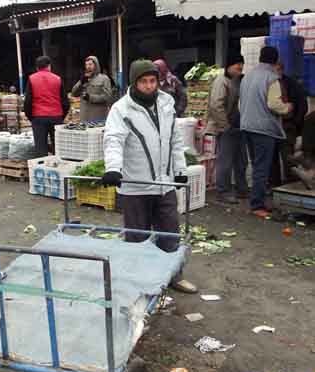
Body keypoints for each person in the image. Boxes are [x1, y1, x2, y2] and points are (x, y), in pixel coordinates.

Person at [102, 59, 197, 293]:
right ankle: (139, 282)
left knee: (170, 233)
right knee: (137, 237)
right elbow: (113, 140)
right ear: (134, 83)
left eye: (153, 80)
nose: (149, 86)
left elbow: (175, 140)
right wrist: (113, 168)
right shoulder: (121, 109)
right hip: (136, 186)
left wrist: (180, 169)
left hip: (164, 184)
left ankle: (174, 276)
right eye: (143, 81)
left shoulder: (166, 104)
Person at [240, 46, 293, 218]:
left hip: (247, 125)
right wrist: (287, 107)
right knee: (262, 168)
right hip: (263, 128)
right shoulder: (272, 78)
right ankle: (257, 205)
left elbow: (241, 103)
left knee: (257, 166)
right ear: (276, 60)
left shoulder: (247, 76)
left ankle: (256, 201)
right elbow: (274, 104)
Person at [206, 54, 248, 204]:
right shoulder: (221, 81)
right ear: (229, 66)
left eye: (241, 67)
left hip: (236, 126)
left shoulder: (235, 80)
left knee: (241, 160)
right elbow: (216, 106)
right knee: (225, 161)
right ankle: (223, 192)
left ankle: (242, 189)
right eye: (237, 67)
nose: (240, 70)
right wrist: (225, 126)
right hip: (224, 127)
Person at [24, 55, 69, 157]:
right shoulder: (58, 79)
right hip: (56, 117)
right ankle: (58, 165)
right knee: (58, 148)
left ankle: (42, 165)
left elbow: (27, 102)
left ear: (37, 67)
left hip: (38, 117)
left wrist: (31, 117)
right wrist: (61, 116)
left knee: (41, 149)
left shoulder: (32, 79)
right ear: (49, 66)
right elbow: (65, 102)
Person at [270, 63, 308, 185]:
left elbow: (302, 105)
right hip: (273, 125)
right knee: (272, 158)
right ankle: (275, 184)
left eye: (276, 70)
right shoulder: (270, 83)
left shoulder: (292, 84)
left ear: (281, 70)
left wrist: (295, 122)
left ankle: (291, 184)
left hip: (287, 125)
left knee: (288, 157)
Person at [71, 55, 112, 122]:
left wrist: (90, 97)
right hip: (84, 118)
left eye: (90, 64)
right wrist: (81, 82)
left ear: (96, 66)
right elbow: (74, 93)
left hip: (98, 118)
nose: (88, 67)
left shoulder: (104, 79)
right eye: (86, 65)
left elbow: (107, 97)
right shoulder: (84, 79)